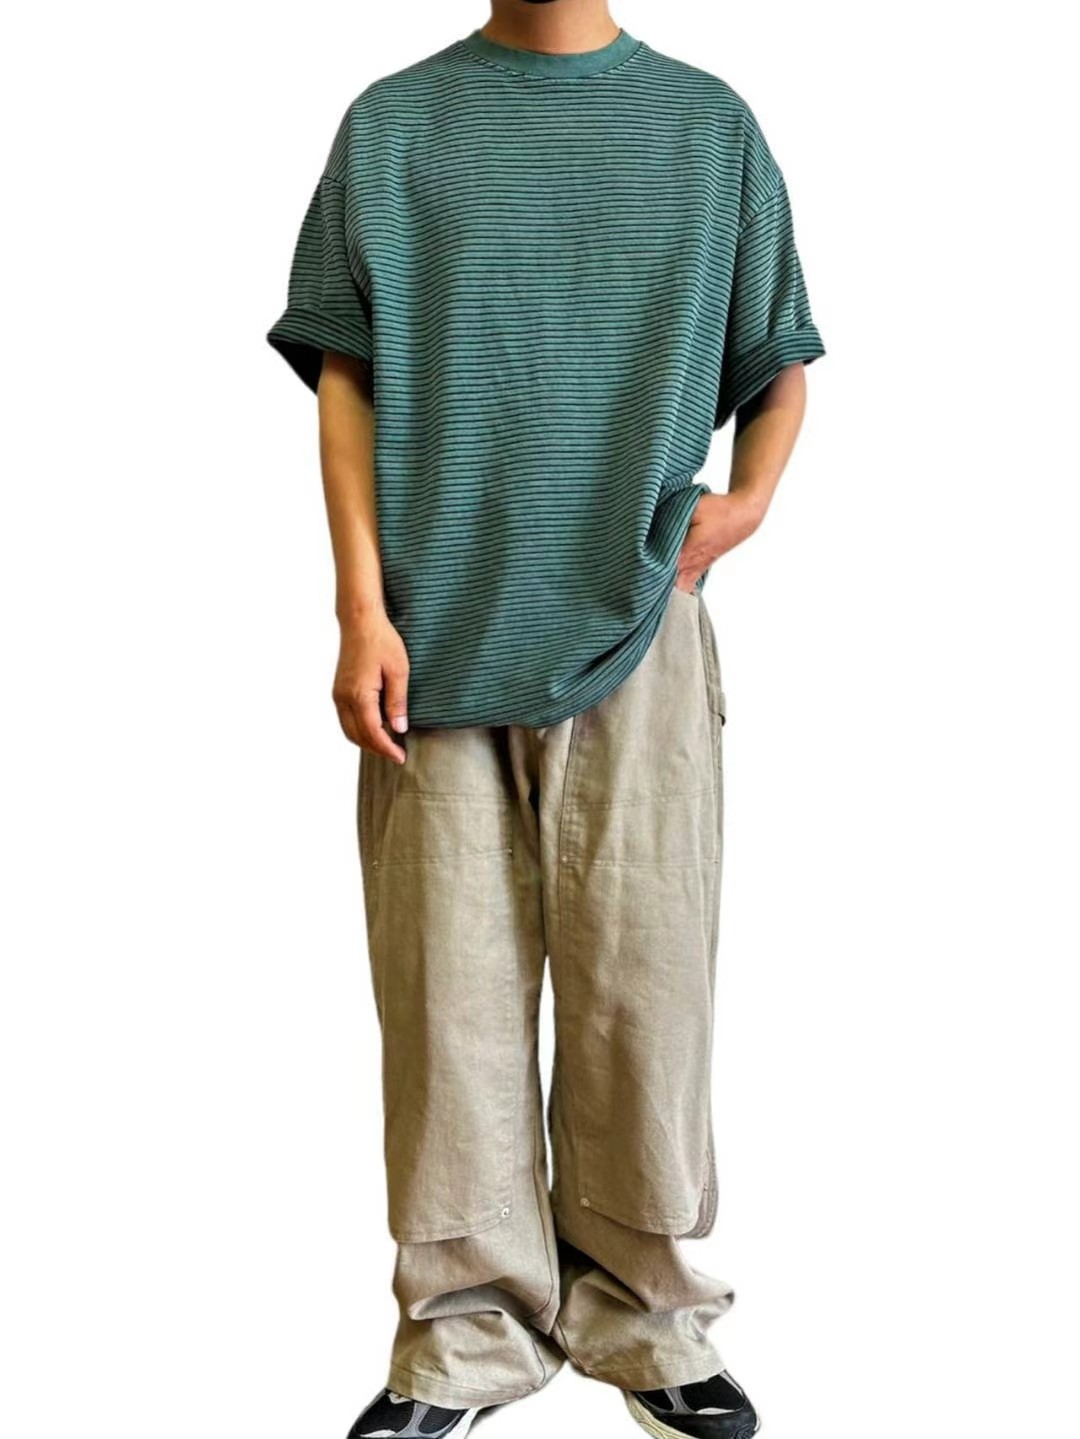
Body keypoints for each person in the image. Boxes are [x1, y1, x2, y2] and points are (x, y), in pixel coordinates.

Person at [266, 1, 825, 1434]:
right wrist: (359, 607)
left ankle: (651, 1321)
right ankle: (461, 1337)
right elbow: (346, 378)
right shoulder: (395, 127)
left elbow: (777, 358)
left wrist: (751, 502)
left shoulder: (707, 128)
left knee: (648, 989)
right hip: (433, 633)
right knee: (447, 1006)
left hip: (639, 623)